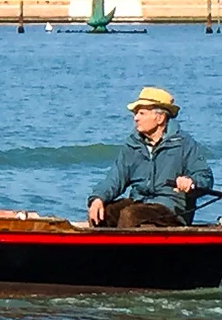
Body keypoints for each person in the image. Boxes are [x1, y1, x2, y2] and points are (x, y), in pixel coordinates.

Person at [87, 87, 212, 228]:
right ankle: (101, 250)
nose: (136, 118)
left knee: (130, 214)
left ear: (160, 118)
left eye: (141, 113)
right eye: (135, 113)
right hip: (139, 202)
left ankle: (126, 250)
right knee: (102, 212)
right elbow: (114, 179)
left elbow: (205, 178)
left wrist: (190, 181)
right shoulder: (132, 145)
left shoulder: (184, 144)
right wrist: (97, 198)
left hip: (171, 209)